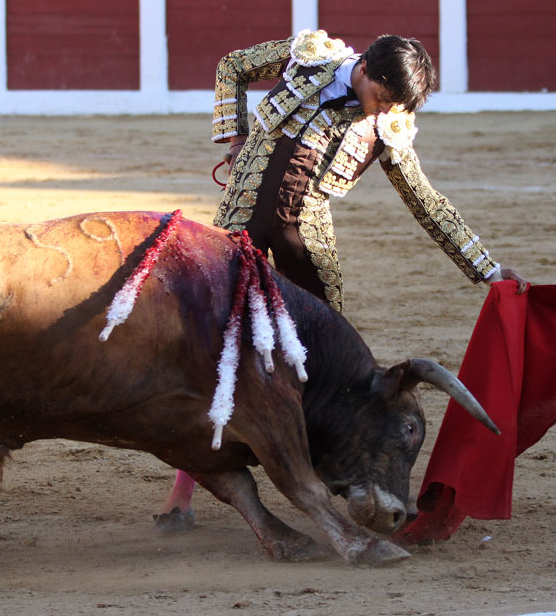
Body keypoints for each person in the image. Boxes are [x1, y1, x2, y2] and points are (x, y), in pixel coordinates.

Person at [153, 29, 527, 531]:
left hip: (306, 247)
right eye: (380, 98)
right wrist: (235, 137)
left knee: (321, 368)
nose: (380, 113)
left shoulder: (390, 125)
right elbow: (232, 65)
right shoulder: (309, 56)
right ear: (366, 70)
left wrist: (486, 268)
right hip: (237, 230)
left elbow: (426, 201)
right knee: (215, 350)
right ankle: (183, 492)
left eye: (392, 106)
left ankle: (346, 477)